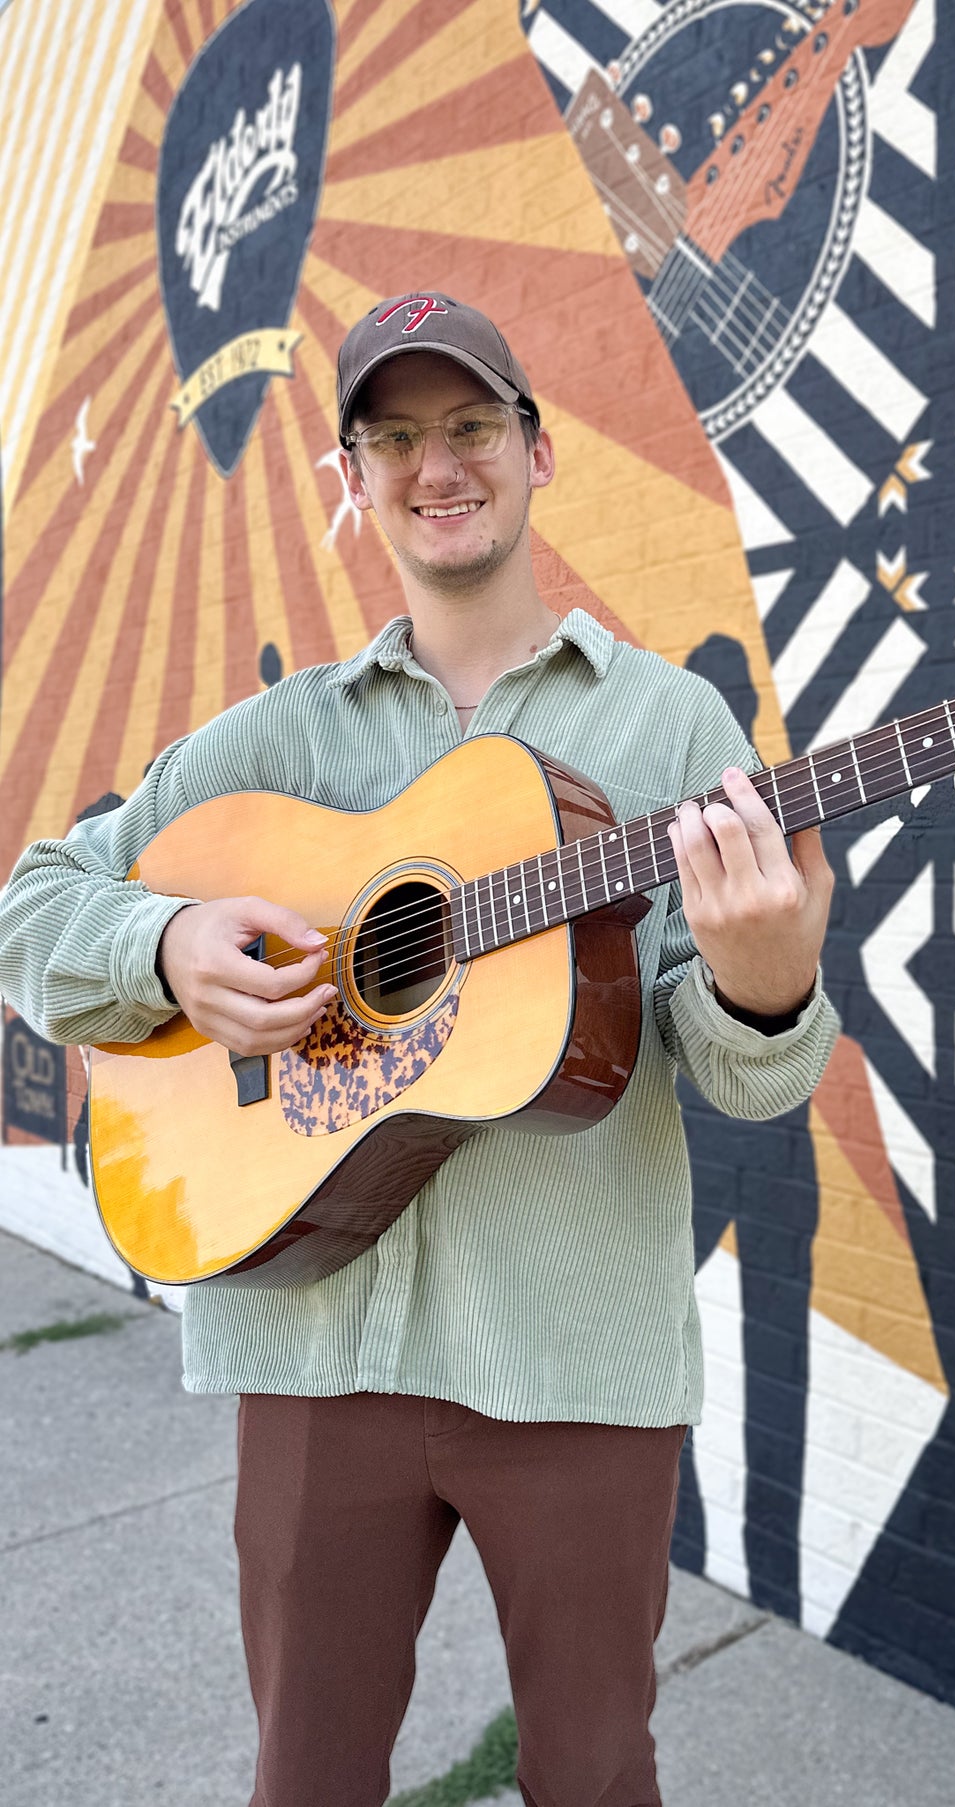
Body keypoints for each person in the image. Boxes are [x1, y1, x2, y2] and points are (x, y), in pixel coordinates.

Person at [0, 291, 839, 1807]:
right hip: (312, 1349)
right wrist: (166, 945)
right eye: (392, 438)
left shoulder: (673, 729)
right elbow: (34, 914)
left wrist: (767, 986)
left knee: (595, 1776)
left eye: (468, 428)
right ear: (350, 479)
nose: (433, 465)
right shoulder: (277, 743)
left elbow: (736, 1075)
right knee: (305, 1778)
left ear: (536, 451)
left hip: (575, 1362)